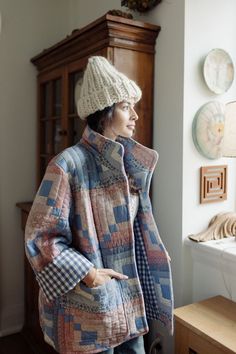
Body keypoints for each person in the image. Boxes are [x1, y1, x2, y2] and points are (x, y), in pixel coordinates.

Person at [25, 56, 173, 354]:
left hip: (130, 302)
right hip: (90, 312)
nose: (135, 115)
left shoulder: (128, 162)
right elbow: (40, 238)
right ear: (104, 112)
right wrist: (89, 274)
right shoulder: (67, 165)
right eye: (124, 106)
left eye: (133, 105)